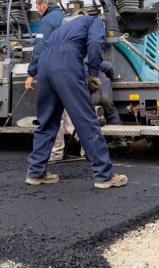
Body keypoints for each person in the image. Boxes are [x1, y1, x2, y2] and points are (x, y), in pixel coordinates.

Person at [26, 15, 127, 189]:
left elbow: (41, 46)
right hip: (66, 63)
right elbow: (95, 43)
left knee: (47, 121)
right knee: (86, 120)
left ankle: (36, 173)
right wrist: (94, 73)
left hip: (44, 63)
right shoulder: (95, 21)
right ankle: (104, 175)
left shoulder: (61, 29)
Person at [25, 0, 66, 90]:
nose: (38, 12)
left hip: (53, 70)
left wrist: (31, 74)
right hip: (68, 66)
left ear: (44, 5)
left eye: (37, 8)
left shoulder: (46, 21)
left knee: (47, 103)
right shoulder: (65, 16)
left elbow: (40, 47)